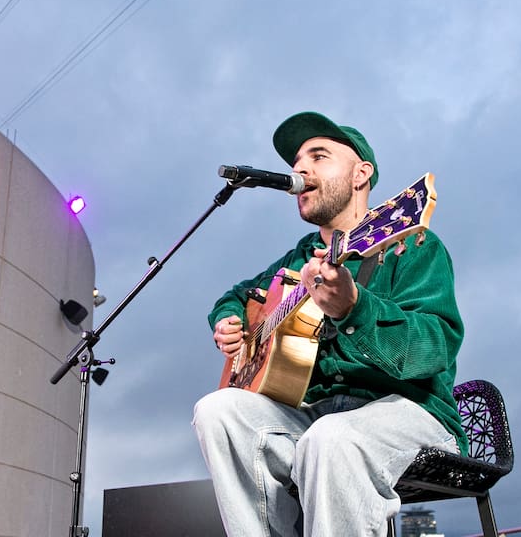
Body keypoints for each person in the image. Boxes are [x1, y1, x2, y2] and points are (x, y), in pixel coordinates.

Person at [192, 112, 466, 536]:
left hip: (408, 410)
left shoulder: (412, 245)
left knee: (331, 439)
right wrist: (228, 319)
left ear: (361, 174)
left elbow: (433, 350)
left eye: (318, 157)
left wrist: (354, 309)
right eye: (297, 162)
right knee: (217, 410)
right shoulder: (296, 260)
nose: (301, 170)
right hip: (315, 417)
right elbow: (239, 295)